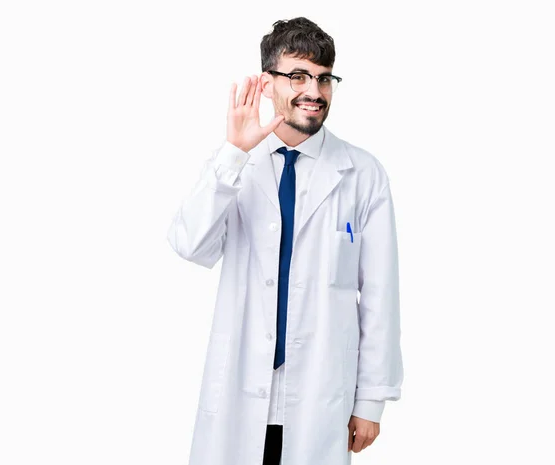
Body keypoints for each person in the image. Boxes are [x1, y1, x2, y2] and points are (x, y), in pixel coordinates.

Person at [167, 16, 404, 465]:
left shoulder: (362, 173)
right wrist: (233, 154)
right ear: (267, 82)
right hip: (238, 392)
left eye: (323, 78)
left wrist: (371, 399)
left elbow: (379, 294)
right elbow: (190, 245)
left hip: (321, 395)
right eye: (297, 76)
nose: (314, 92)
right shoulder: (237, 165)